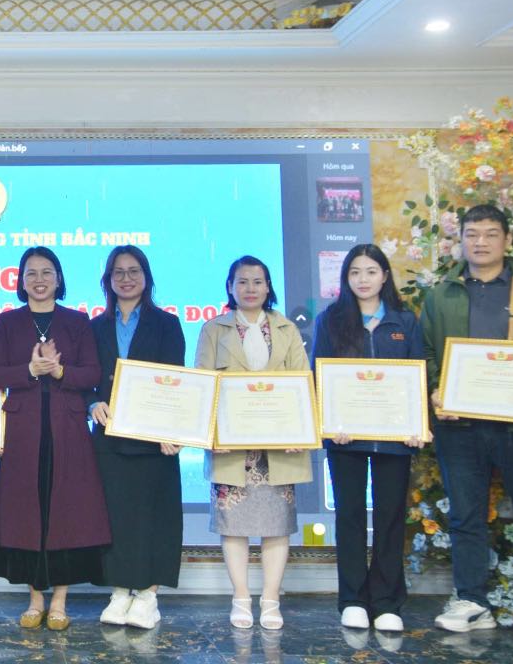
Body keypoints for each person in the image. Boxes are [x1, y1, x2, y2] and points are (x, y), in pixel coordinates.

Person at [424, 204, 513, 649]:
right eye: (471, 234)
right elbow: (429, 352)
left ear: (507, 241)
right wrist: (437, 391)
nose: (480, 242)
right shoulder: (442, 296)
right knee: (466, 517)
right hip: (461, 427)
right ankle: (473, 602)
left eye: (490, 234)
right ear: (461, 241)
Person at [0, 247, 109, 631]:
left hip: (67, 430)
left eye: (46, 272)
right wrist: (29, 368)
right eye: (31, 273)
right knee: (26, 511)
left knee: (66, 513)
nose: (39, 280)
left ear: (59, 278)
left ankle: (60, 600)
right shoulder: (7, 322)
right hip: (22, 433)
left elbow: (92, 374)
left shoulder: (77, 321)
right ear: (20, 281)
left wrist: (57, 371)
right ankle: (35, 598)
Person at [311, 244, 424, 633]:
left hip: (396, 438)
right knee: (350, 516)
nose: (362, 279)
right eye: (355, 272)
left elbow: (417, 375)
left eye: (371, 272)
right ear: (346, 279)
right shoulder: (331, 320)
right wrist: (330, 422)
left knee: (391, 517)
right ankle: (354, 599)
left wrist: (416, 422)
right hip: (345, 439)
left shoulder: (404, 322)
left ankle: (388, 601)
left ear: (385, 276)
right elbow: (320, 377)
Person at [195, 255, 309, 631]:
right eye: (242, 281)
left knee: (277, 525)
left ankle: (271, 599)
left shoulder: (287, 328)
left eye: (257, 281)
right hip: (232, 447)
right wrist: (211, 434)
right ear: (230, 287)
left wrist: (300, 431)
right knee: (235, 526)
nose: (250, 288)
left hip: (278, 446)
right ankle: (241, 598)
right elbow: (202, 385)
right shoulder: (214, 329)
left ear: (268, 286)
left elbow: (301, 382)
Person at [87, 246, 186, 629]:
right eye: (118, 272)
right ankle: (119, 592)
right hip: (109, 436)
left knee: (154, 516)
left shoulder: (167, 324)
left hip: (155, 439)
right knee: (114, 516)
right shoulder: (93, 327)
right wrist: (91, 403)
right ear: (108, 280)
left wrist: (171, 431)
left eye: (133, 271)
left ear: (146, 276)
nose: (126, 278)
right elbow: (86, 381)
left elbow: (175, 383)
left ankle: (148, 595)